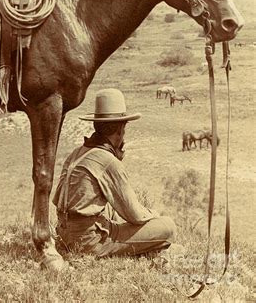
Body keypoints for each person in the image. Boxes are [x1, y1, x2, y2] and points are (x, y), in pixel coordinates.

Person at [53, 88, 176, 258]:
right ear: (120, 130)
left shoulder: (77, 153)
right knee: (168, 226)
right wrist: (153, 215)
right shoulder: (107, 160)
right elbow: (135, 215)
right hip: (89, 242)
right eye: (123, 130)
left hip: (64, 235)